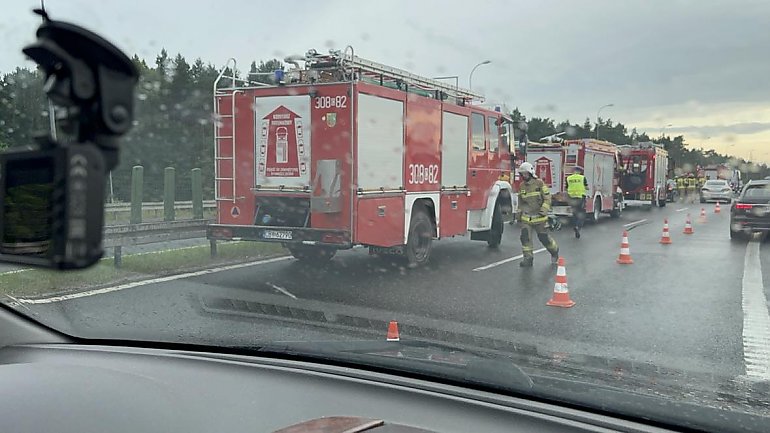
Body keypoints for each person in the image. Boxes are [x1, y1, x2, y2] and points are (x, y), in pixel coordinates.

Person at [515, 162, 559, 267]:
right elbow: (521, 202)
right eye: (522, 174)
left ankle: (554, 251)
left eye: (525, 173)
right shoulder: (521, 186)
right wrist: (518, 215)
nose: (523, 176)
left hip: (540, 218)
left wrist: (544, 209)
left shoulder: (539, 183)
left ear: (530, 173)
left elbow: (547, 198)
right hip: (527, 218)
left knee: (544, 238)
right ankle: (528, 258)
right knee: (525, 237)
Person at [566, 166, 588, 238]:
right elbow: (586, 187)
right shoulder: (582, 178)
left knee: (574, 213)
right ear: (579, 172)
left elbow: (566, 188)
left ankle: (575, 225)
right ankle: (578, 227)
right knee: (582, 213)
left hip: (571, 198)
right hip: (580, 197)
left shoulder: (568, 178)